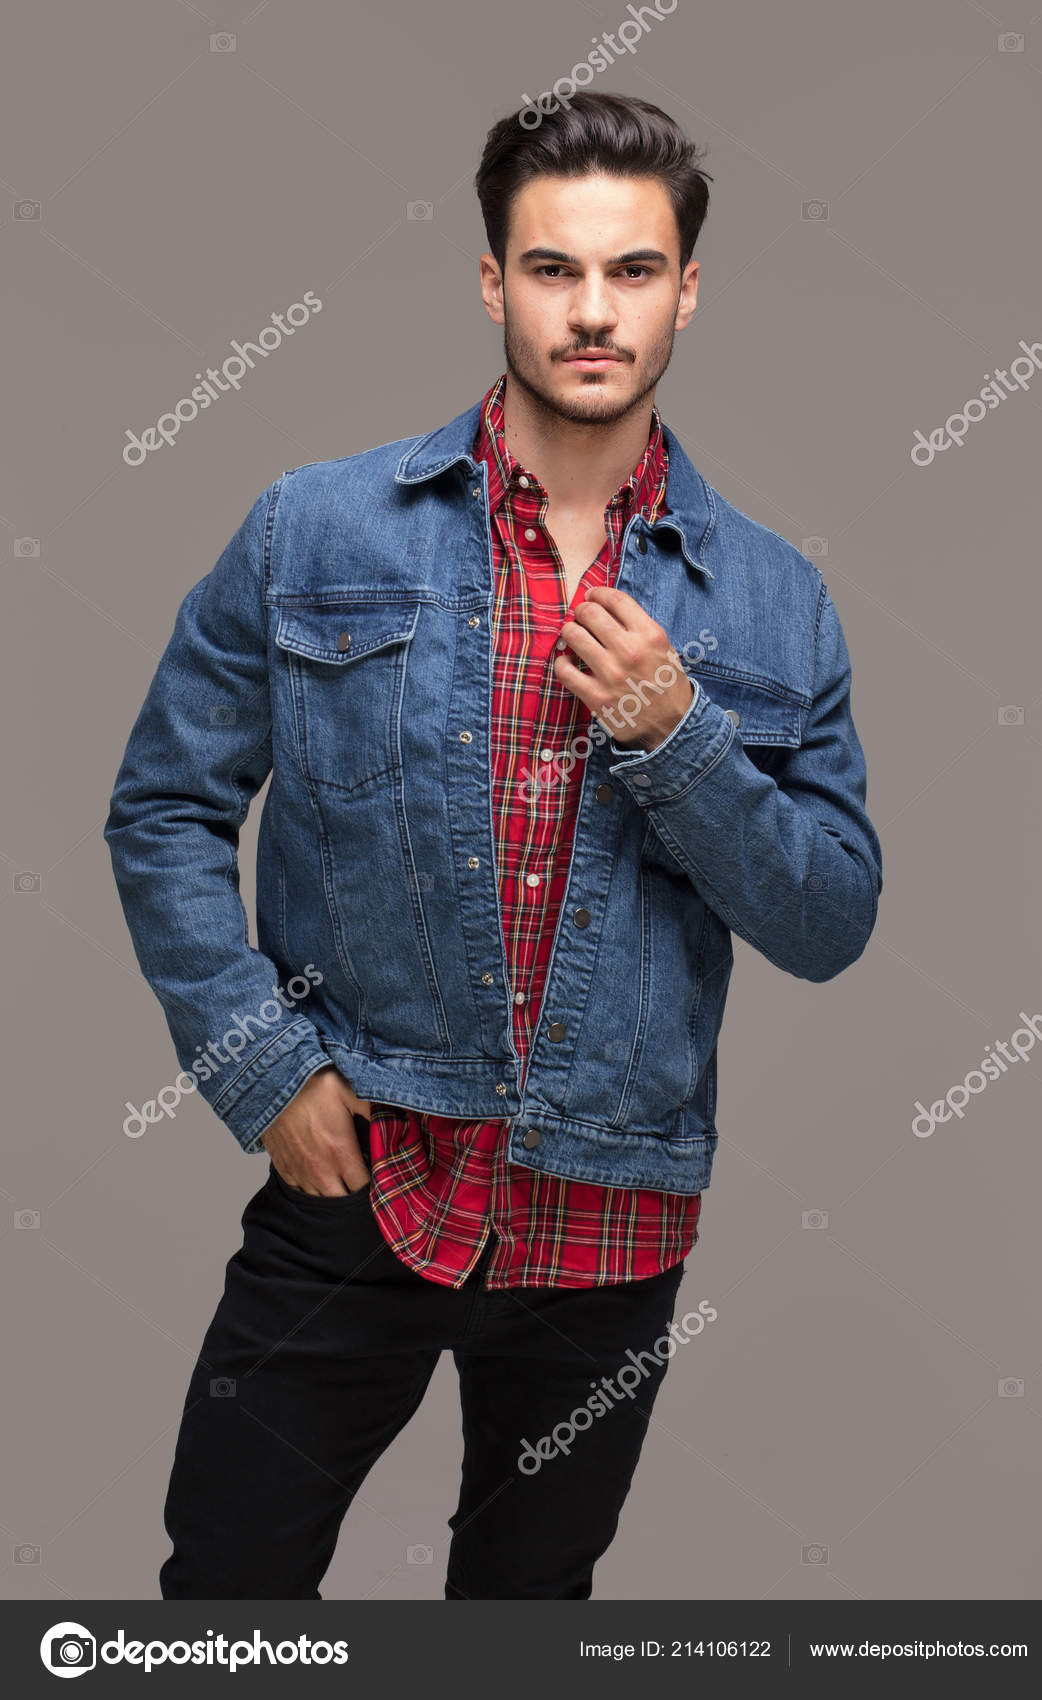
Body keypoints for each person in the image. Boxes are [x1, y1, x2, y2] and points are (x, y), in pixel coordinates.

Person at [104, 91, 882, 1600]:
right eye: (551, 268)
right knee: (221, 1610)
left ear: (687, 291)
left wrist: (680, 737)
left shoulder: (778, 604)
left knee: (522, 1641)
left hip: (611, 1220)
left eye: (634, 271)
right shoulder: (313, 533)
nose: (594, 312)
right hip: (360, 1178)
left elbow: (831, 920)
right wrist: (263, 1072)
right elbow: (165, 808)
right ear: (491, 281)